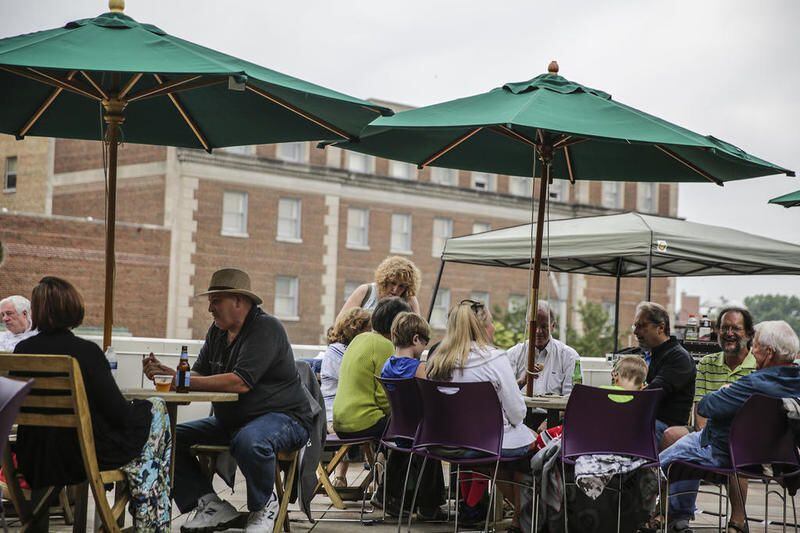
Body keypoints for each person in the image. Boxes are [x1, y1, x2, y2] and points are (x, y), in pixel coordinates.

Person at [143, 268, 312, 533]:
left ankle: (264, 507)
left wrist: (181, 380)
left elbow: (240, 382)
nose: (209, 308)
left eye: (215, 300)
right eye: (210, 301)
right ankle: (210, 504)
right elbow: (199, 373)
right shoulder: (218, 331)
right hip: (232, 422)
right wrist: (170, 373)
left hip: (285, 418)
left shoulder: (266, 328)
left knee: (250, 440)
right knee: (166, 436)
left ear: (239, 301)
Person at [15, 277, 171, 531]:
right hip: (80, 457)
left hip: (34, 455)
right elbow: (119, 414)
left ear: (37, 311)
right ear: (72, 308)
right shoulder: (85, 352)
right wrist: (144, 407)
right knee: (155, 410)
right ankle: (150, 509)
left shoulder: (22, 351)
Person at [659, 320, 800, 533]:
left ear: (769, 353)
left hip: (724, 452)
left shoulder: (753, 384)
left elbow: (706, 407)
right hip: (776, 459)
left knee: (656, 467)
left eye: (756, 346)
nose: (752, 350)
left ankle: (655, 517)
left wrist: (727, 389)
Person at [427, 299, 536, 531]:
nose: (494, 327)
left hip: (444, 444)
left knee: (496, 457)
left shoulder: (436, 361)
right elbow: (518, 414)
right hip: (487, 444)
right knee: (528, 449)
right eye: (492, 321)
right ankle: (523, 518)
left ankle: (518, 517)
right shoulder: (495, 359)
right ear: (481, 327)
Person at [662, 307, 757, 447]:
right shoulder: (706, 363)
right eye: (724, 328)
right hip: (707, 433)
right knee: (670, 435)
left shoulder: (758, 366)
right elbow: (700, 418)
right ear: (717, 331)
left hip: (743, 436)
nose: (729, 333)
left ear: (749, 334)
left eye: (736, 328)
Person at [533, 354, 648, 449]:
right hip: (627, 447)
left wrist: (549, 420)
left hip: (591, 444)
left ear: (615, 376)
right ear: (642, 386)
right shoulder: (643, 402)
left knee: (543, 437)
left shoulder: (601, 393)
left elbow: (577, 413)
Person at [319, 307, 371, 488]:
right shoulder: (338, 351)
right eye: (368, 329)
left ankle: (376, 478)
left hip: (345, 412)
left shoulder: (346, 349)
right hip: (334, 417)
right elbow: (356, 380)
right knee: (379, 427)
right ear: (357, 329)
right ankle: (378, 478)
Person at [633, 301, 696, 447]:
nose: (636, 332)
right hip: (648, 419)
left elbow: (653, 393)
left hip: (663, 424)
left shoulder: (679, 358)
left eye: (641, 326)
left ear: (660, 327)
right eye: (635, 326)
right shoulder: (652, 354)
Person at [506, 301, 581, 394]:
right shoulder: (513, 354)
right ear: (527, 325)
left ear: (553, 326)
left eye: (544, 326)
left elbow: (572, 397)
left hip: (553, 409)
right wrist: (522, 381)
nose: (538, 331)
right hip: (523, 408)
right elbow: (504, 394)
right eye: (534, 326)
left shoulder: (569, 357)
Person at [337, 256, 421, 321]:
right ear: (385, 280)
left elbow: (418, 332)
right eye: (393, 283)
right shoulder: (365, 291)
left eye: (401, 286)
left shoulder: (410, 299)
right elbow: (340, 322)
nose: (395, 290)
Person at [381, 311, 431, 379]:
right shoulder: (419, 368)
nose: (425, 346)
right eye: (426, 341)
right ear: (415, 339)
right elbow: (427, 389)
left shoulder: (387, 365)